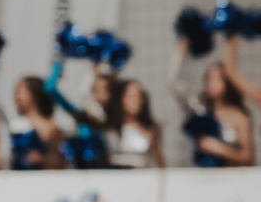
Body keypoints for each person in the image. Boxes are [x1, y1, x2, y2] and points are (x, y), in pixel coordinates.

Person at [170, 39, 254, 167]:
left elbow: (249, 158)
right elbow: (174, 86)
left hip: (233, 175)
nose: (210, 82)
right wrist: (179, 54)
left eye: (216, 78)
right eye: (208, 78)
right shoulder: (200, 111)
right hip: (204, 176)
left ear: (228, 82)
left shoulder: (239, 116)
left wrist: (220, 149)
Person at [9, 76, 64, 170]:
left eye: (19, 91)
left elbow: (62, 162)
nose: (16, 97)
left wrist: (42, 159)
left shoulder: (50, 127)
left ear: (34, 94)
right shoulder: (15, 125)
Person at [108, 79, 164, 169]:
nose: (136, 100)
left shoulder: (151, 128)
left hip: (142, 174)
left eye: (139, 96)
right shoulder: (110, 127)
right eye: (131, 96)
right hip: (113, 175)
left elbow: (159, 161)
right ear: (120, 98)